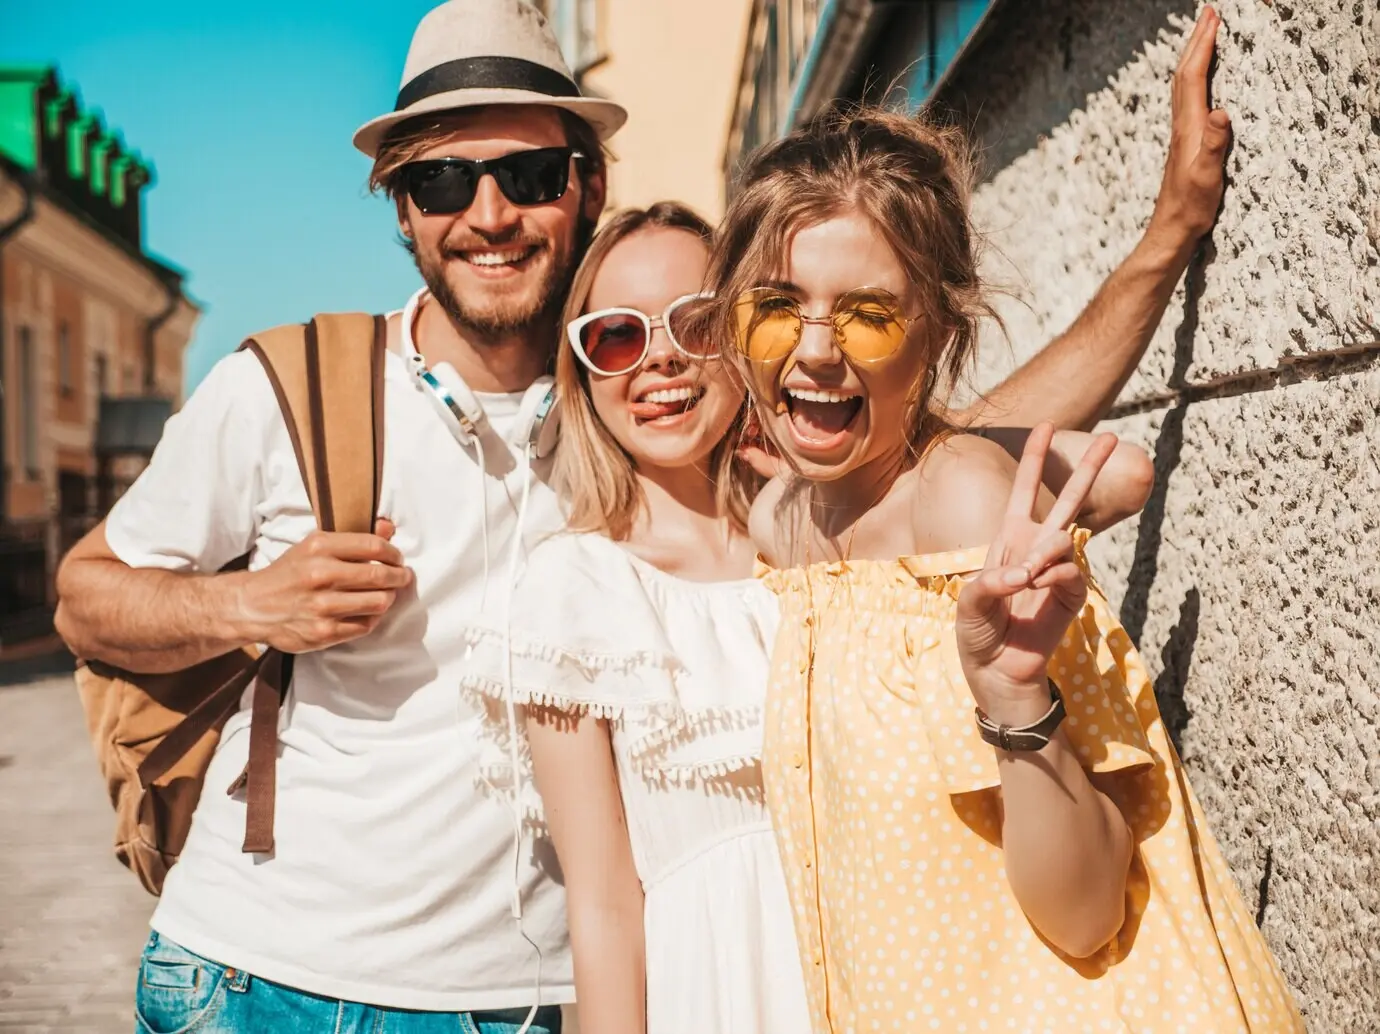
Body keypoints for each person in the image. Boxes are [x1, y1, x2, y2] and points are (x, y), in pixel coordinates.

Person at [50, 0, 1230, 1030]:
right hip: (271, 973)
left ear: (585, 183)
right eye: (443, 180)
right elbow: (85, 597)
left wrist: (1166, 237)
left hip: (511, 996)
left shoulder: (715, 446)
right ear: (401, 209)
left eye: (527, 174)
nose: (489, 211)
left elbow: (963, 452)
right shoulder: (289, 388)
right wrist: (250, 600)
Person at [458, 199, 1159, 1034]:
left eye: (698, 323)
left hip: (910, 976)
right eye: (616, 336)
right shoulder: (572, 589)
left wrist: (841, 440)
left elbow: (1115, 477)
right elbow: (605, 908)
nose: (660, 362)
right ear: (582, 371)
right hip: (721, 994)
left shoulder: (819, 529)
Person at [709, 103, 1304, 1032]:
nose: (816, 349)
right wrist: (1167, 234)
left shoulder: (967, 505)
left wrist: (1016, 697)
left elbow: (1087, 915)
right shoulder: (790, 517)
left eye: (868, 316)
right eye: (777, 305)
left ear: (939, 332)